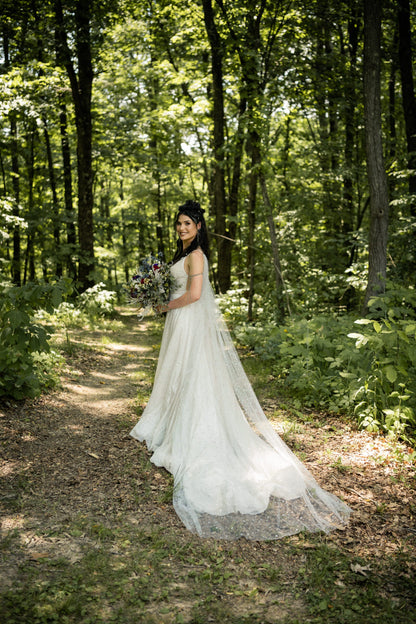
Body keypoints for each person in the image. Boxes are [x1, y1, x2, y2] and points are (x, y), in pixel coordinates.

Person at [130, 199, 351, 540]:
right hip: (179, 323)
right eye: (179, 224)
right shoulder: (180, 256)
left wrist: (163, 305)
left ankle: (194, 431)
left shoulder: (198, 256)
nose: (182, 228)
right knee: (177, 375)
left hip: (188, 322)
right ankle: (171, 420)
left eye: (188, 224)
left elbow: (194, 294)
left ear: (199, 227)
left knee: (193, 376)